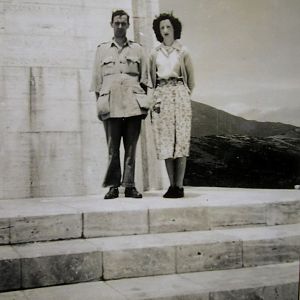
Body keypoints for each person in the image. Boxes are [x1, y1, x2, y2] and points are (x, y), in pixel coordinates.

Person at [90, 9, 150, 199]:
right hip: (111, 104)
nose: (120, 26)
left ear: (128, 25)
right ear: (111, 24)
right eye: (117, 23)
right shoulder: (102, 50)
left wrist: (143, 104)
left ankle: (130, 185)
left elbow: (144, 79)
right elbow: (97, 82)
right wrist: (101, 105)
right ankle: (113, 186)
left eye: (124, 23)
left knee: (131, 147)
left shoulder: (138, 49)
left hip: (133, 104)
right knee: (112, 148)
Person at [150, 13, 195, 198]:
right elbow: (151, 79)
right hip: (162, 94)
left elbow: (191, 80)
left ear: (175, 28)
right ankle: (171, 186)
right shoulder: (154, 53)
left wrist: (182, 94)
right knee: (166, 141)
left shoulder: (183, 51)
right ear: (158, 31)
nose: (165, 31)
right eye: (162, 28)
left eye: (168, 27)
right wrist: (157, 98)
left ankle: (180, 185)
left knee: (181, 140)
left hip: (180, 94)